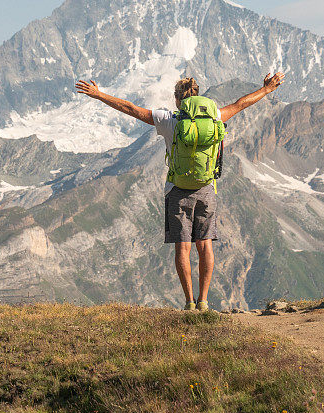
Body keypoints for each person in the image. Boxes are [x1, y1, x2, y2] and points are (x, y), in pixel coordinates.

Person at [75, 72, 285, 311]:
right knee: (205, 245)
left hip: (177, 191)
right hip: (206, 188)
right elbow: (240, 104)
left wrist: (99, 94)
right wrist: (267, 90)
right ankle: (204, 302)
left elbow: (131, 108)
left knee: (182, 247)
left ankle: (189, 303)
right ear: (198, 96)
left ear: (178, 99)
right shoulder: (215, 116)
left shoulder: (168, 119)